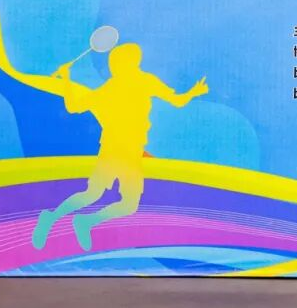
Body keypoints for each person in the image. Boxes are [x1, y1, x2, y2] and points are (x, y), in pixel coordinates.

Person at [31, 43, 208, 251]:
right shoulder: (127, 85)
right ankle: (54, 219)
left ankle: (82, 221)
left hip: (128, 149)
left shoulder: (126, 85)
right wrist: (193, 92)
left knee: (120, 202)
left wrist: (66, 78)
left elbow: (73, 106)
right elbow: (177, 101)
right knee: (104, 197)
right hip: (115, 149)